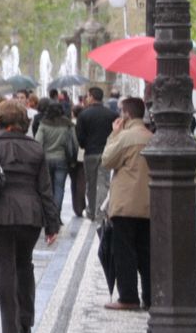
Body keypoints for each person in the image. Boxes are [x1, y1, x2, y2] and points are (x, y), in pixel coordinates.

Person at [0, 100, 61, 333]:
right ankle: (25, 320)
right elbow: (45, 190)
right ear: (23, 121)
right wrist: (52, 225)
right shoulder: (36, 148)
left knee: (4, 268)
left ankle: (9, 327)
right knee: (24, 264)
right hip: (30, 215)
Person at [102, 97, 153, 310]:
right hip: (149, 203)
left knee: (124, 251)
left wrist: (114, 134)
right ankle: (150, 297)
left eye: (120, 111)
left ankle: (128, 297)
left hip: (125, 203)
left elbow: (107, 160)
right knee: (146, 251)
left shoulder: (125, 137)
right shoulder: (153, 137)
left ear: (127, 115)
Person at [75, 87, 118, 220]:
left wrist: (84, 145)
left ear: (92, 97)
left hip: (90, 153)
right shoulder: (111, 114)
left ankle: (92, 211)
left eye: (87, 96)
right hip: (106, 152)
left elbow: (80, 137)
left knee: (91, 183)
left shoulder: (83, 115)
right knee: (104, 182)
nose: (86, 98)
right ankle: (101, 212)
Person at [34, 98, 79, 215]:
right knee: (60, 188)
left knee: (47, 189)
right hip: (62, 159)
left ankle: (48, 214)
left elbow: (38, 142)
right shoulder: (68, 124)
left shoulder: (44, 124)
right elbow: (74, 142)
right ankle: (56, 213)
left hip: (46, 159)